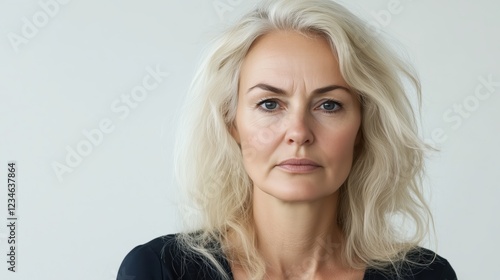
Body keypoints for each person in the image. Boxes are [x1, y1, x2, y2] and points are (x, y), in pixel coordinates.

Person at [117, 0, 457, 279]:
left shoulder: (427, 275)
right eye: (269, 104)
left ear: (363, 126)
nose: (298, 132)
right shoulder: (159, 270)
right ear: (230, 122)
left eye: (329, 105)